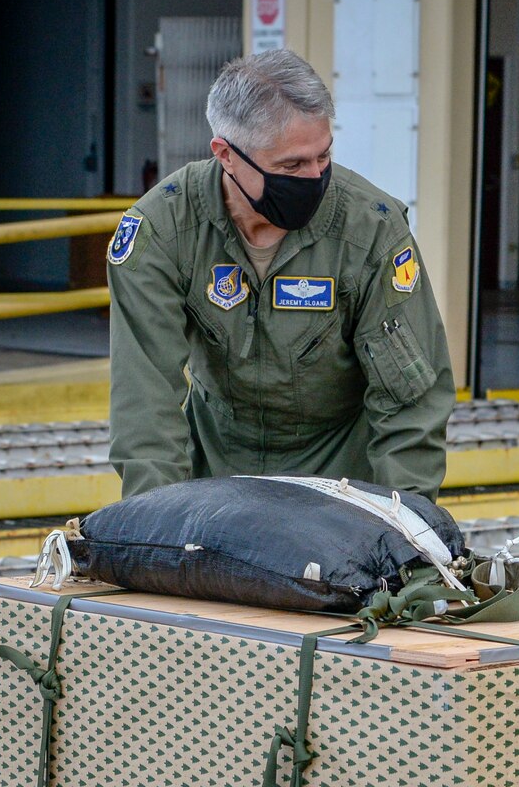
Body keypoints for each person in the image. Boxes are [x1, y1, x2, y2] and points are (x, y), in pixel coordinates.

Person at [106, 50, 456, 498]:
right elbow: (145, 401)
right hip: (216, 474)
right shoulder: (163, 231)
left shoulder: (371, 229)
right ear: (226, 155)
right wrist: (157, 521)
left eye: (323, 157)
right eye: (291, 166)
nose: (314, 177)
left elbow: (411, 403)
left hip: (343, 479)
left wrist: (401, 524)